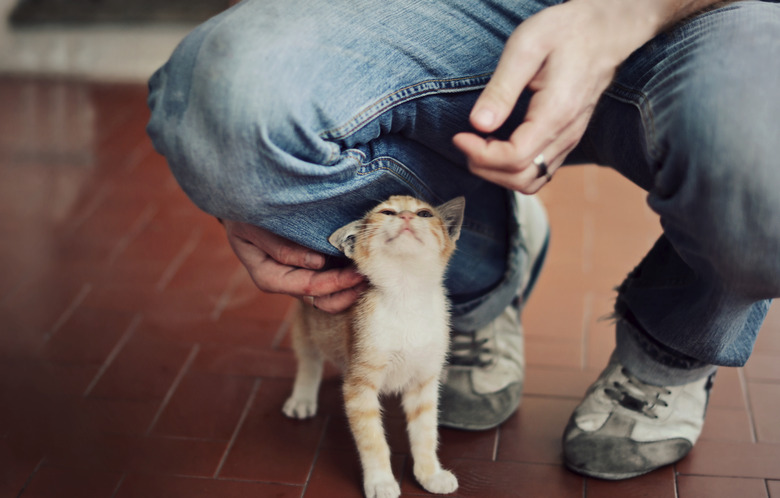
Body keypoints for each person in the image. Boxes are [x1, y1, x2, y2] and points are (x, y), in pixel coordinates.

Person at [146, 0, 780, 480]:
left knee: (766, 170)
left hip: (710, 16)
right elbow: (238, 106)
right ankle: (470, 281)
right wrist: (237, 163)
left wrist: (629, 12)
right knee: (232, 102)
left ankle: (674, 346)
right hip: (455, 12)